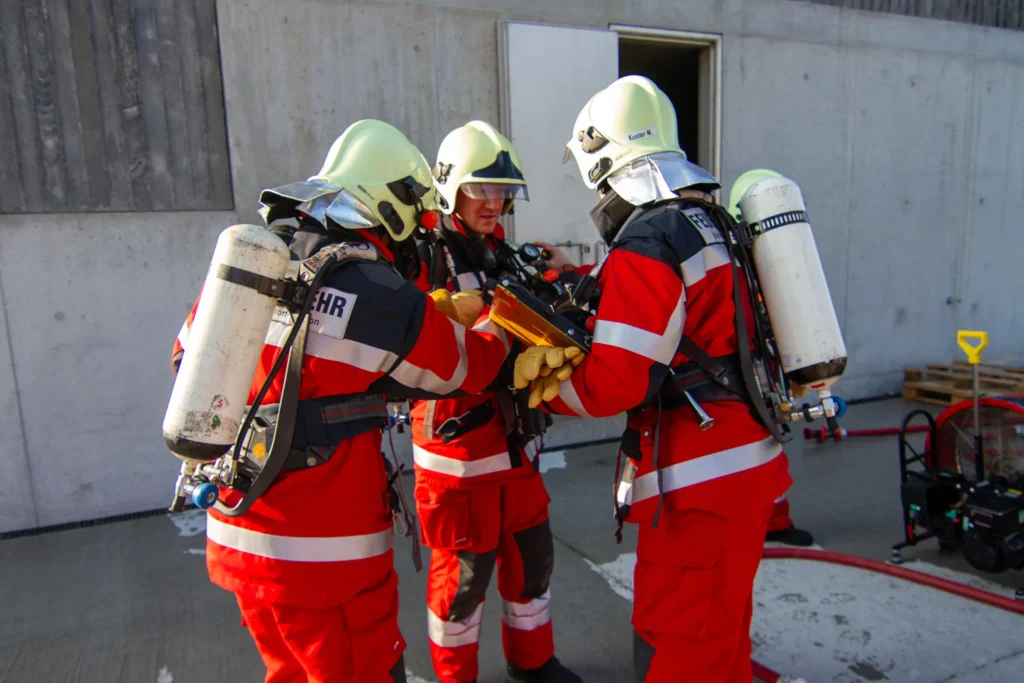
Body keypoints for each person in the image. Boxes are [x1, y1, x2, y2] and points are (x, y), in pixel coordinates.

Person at [170, 120, 512, 683]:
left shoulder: (253, 262)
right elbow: (466, 369)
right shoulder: (374, 291)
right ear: (393, 208)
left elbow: (186, 356)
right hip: (326, 560)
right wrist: (500, 321)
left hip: (236, 534)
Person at [517, 76, 793, 682]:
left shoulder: (648, 238)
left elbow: (615, 382)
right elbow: (686, 302)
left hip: (700, 484)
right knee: (722, 627)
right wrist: (577, 275)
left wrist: (541, 391)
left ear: (602, 160)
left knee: (684, 642)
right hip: (745, 462)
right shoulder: (706, 219)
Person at [408, 120, 582, 683]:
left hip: (513, 443)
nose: (496, 202)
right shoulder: (423, 259)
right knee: (462, 584)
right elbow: (413, 348)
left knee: (533, 563)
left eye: (504, 191)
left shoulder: (499, 251)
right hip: (457, 457)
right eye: (482, 188)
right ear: (451, 187)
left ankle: (533, 664)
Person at [727, 168, 815, 548]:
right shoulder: (738, 258)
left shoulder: (767, 255)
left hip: (765, 363)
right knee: (759, 445)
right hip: (748, 365)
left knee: (771, 443)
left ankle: (773, 520)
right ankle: (759, 519)